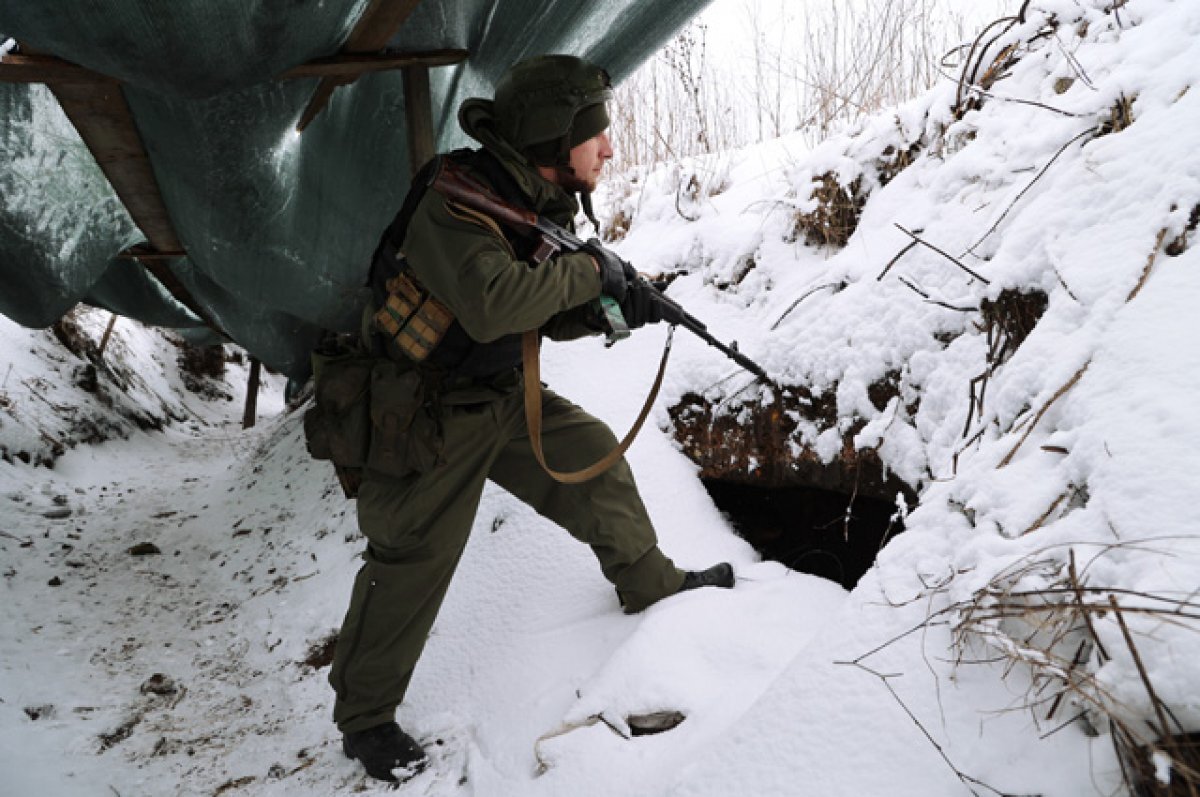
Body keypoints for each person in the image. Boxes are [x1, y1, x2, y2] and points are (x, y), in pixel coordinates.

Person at [329, 53, 735, 784]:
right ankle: (364, 719)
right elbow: (494, 300)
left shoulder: (531, 203)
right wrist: (591, 273)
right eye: (596, 133)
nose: (609, 148)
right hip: (426, 412)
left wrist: (618, 306)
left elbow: (538, 310)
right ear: (553, 137)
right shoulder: (454, 199)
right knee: (412, 561)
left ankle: (651, 583)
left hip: (499, 394)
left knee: (594, 455)